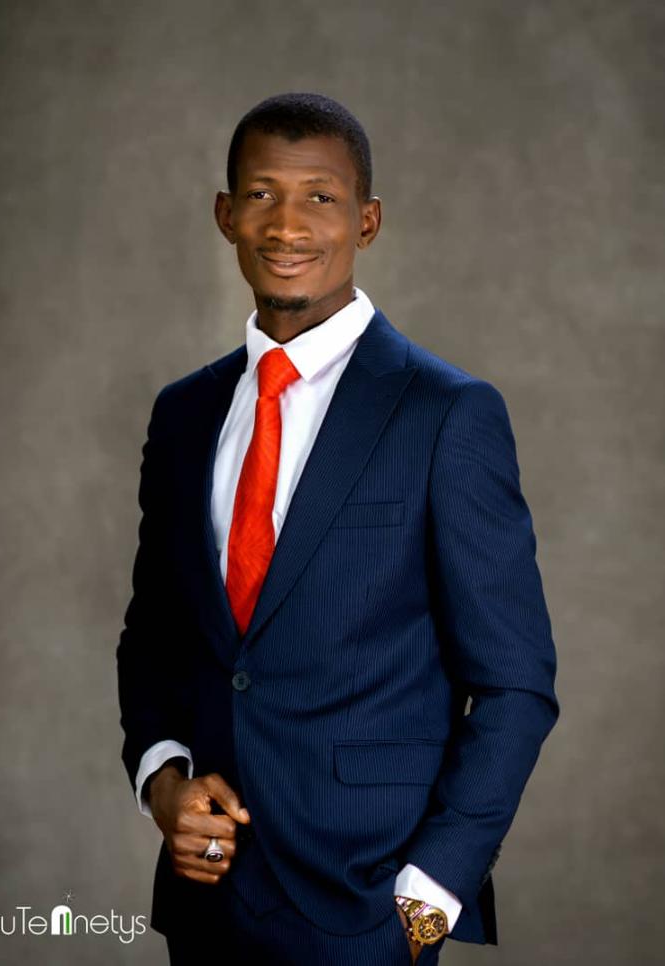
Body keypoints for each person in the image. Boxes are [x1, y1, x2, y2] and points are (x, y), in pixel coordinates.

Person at [116, 92, 559, 965]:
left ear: (367, 220)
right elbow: (155, 635)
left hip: (369, 909)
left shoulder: (445, 413)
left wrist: (424, 911)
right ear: (225, 214)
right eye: (261, 194)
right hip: (206, 898)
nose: (287, 225)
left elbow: (516, 684)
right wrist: (164, 783)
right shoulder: (185, 413)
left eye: (320, 196)